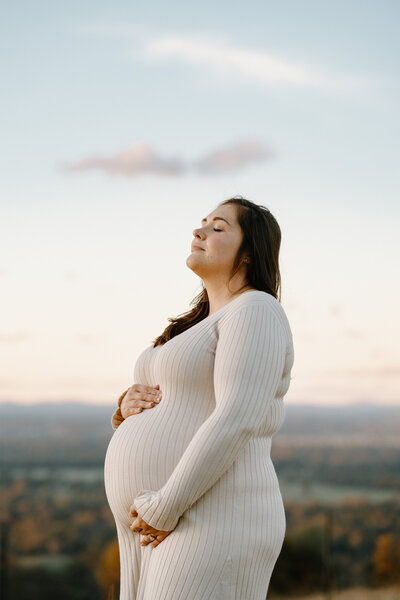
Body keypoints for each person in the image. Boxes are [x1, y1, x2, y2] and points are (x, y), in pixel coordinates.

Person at [104, 195, 295, 599]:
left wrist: (166, 505)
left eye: (219, 227)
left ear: (248, 253)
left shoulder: (256, 309)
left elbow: (238, 416)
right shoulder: (197, 325)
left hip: (214, 514)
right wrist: (127, 409)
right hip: (160, 523)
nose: (200, 231)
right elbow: (182, 399)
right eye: (202, 222)